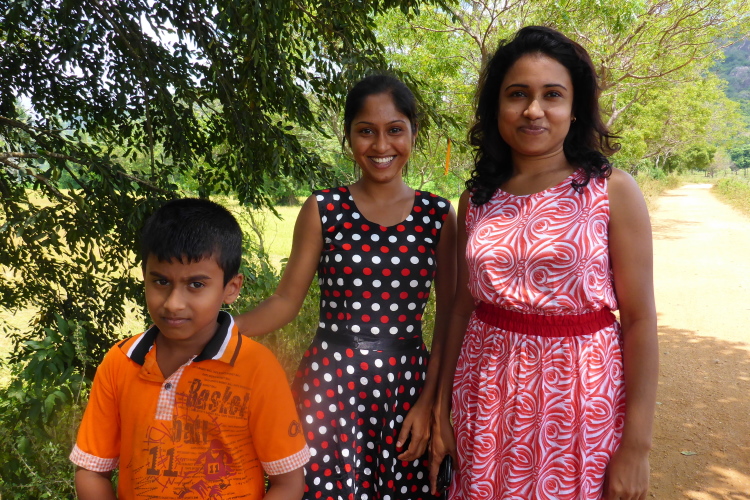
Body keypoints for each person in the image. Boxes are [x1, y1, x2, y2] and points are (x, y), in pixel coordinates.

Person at [429, 26, 658, 500]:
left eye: (552, 95)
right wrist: (442, 410)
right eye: (517, 94)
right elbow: (460, 310)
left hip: (577, 404)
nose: (533, 110)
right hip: (483, 396)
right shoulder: (477, 198)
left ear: (574, 109)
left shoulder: (612, 190)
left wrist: (637, 445)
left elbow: (639, 320)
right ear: (497, 106)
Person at [234, 74, 457, 500]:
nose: (381, 145)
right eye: (366, 131)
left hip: (406, 390)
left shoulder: (437, 215)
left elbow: (449, 317)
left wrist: (431, 403)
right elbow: (285, 301)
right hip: (329, 387)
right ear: (349, 137)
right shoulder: (324, 209)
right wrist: (223, 330)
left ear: (413, 133)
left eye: (395, 130)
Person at [70, 198, 309, 500]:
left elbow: (288, 483)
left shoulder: (257, 368)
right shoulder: (120, 362)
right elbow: (92, 470)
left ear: (231, 288)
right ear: (144, 276)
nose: (173, 304)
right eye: (161, 281)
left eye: (196, 285)